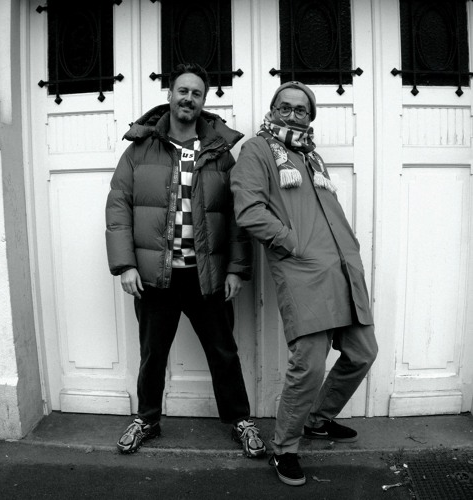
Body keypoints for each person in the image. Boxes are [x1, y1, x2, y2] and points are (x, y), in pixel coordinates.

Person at [105, 63, 266, 458]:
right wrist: (125, 265)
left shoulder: (219, 154)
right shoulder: (139, 150)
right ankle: (147, 419)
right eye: (182, 90)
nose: (188, 98)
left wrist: (237, 269)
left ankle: (240, 420)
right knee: (152, 354)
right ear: (170, 95)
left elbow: (236, 217)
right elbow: (118, 207)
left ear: (203, 101)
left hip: (205, 275)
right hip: (155, 276)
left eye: (196, 93)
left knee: (223, 352)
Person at [231, 81, 378, 486]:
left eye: (301, 110)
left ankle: (319, 419)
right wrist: (291, 242)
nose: (293, 115)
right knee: (309, 365)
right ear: (273, 110)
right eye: (285, 107)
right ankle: (285, 448)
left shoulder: (311, 156)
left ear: (310, 117)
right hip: (302, 271)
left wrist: (350, 249)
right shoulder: (258, 150)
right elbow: (248, 209)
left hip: (342, 269)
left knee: (363, 352)